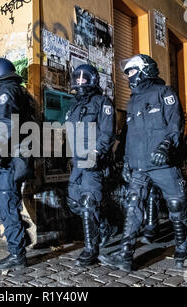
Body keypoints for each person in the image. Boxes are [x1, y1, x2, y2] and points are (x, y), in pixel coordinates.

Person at [99, 54, 187, 271]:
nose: (128, 75)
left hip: (163, 163)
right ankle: (125, 256)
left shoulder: (164, 92)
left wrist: (167, 145)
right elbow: (131, 134)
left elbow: (176, 122)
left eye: (131, 71)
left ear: (145, 70)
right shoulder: (132, 100)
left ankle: (182, 248)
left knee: (176, 204)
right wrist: (127, 161)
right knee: (132, 207)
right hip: (139, 164)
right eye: (127, 72)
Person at [0, 58, 34, 270]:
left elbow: (5, 123)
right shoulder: (20, 91)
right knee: (5, 198)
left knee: (5, 201)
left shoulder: (6, 92)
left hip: (12, 157)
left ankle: (17, 254)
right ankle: (22, 237)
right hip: (20, 155)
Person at [65, 64, 116, 267]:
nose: (79, 83)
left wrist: (96, 153)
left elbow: (107, 133)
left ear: (92, 80)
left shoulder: (102, 102)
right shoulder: (74, 106)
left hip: (93, 160)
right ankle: (104, 227)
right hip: (77, 161)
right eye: (77, 79)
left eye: (83, 79)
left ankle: (90, 249)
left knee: (88, 202)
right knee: (73, 201)